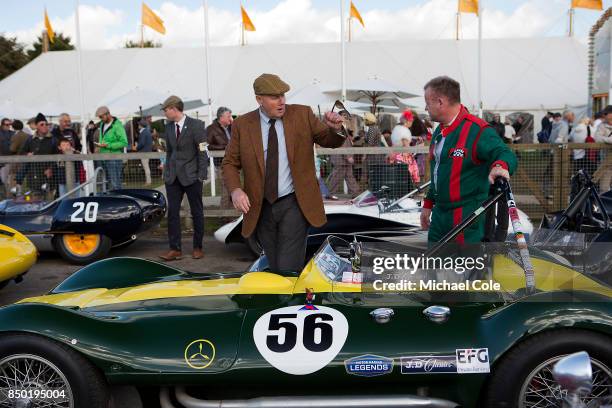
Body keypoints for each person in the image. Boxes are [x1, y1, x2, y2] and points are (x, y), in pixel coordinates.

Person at [222, 73, 345, 273]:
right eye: (274, 97)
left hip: (294, 203)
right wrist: (236, 190)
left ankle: (289, 299)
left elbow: (330, 140)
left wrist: (336, 129)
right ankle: (284, 300)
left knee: (288, 265)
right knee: (274, 262)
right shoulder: (243, 125)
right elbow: (229, 163)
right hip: (261, 207)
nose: (281, 102)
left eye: (283, 95)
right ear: (259, 99)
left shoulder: (303, 114)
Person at [420, 76, 517, 244]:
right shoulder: (439, 132)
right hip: (439, 217)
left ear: (440, 102)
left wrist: (500, 166)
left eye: (428, 102)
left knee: (464, 270)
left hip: (467, 220)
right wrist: (428, 204)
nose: (426, 107)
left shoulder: (478, 130)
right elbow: (438, 174)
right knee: (433, 268)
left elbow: (505, 153)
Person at [159, 96, 208, 261]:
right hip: (173, 178)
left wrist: (201, 175)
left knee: (197, 212)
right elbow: (169, 152)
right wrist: (166, 170)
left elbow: (203, 151)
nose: (164, 113)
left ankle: (198, 247)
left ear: (174, 109)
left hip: (192, 177)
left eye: (165, 110)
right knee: (172, 213)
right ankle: (175, 249)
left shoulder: (197, 126)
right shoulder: (168, 127)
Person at [16, 113, 58, 197]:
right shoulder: (30, 139)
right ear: (36, 126)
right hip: (34, 176)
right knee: (35, 202)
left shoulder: (53, 140)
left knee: (49, 204)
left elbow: (58, 157)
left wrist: (51, 168)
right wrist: (27, 154)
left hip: (49, 177)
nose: (45, 126)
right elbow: (21, 152)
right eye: (42, 124)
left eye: (46, 124)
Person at [95, 106, 128, 190]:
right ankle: (108, 201)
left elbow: (124, 142)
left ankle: (118, 201)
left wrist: (108, 145)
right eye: (99, 117)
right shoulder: (102, 124)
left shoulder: (117, 125)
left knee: (115, 184)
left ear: (108, 114)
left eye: (101, 117)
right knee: (105, 183)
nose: (100, 119)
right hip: (103, 157)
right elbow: (103, 139)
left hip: (114, 158)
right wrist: (99, 147)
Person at [207, 106, 233, 209]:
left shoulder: (232, 127)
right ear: (221, 117)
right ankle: (224, 215)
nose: (230, 118)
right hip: (221, 164)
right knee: (226, 189)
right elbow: (206, 145)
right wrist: (224, 147)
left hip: (233, 163)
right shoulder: (211, 129)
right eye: (228, 116)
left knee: (233, 188)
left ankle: (232, 214)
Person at [328, 129, 360, 197]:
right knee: (337, 177)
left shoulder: (340, 133)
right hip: (341, 160)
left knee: (349, 177)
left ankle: (355, 193)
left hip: (343, 161)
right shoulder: (342, 134)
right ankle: (330, 193)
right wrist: (348, 157)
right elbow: (343, 146)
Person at [595, 106, 612, 192]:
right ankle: (604, 205)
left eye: (606, 113)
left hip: (607, 160)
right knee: (604, 188)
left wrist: (605, 139)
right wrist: (610, 140)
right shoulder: (601, 125)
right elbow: (597, 138)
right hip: (606, 161)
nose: (604, 115)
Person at [132, 119, 153, 185]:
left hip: (144, 152)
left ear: (141, 125)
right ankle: (148, 181)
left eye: (139, 124)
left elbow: (142, 143)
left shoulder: (144, 132)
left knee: (146, 167)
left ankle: (148, 181)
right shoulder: (146, 131)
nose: (138, 125)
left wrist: (136, 148)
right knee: (146, 166)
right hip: (147, 151)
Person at [0, 118, 14, 198]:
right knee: (4, 179)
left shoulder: (12, 133)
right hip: (2, 160)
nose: (9, 126)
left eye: (10, 125)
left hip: (11, 160)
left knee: (11, 180)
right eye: (7, 125)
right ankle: (4, 197)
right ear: (2, 125)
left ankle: (9, 196)